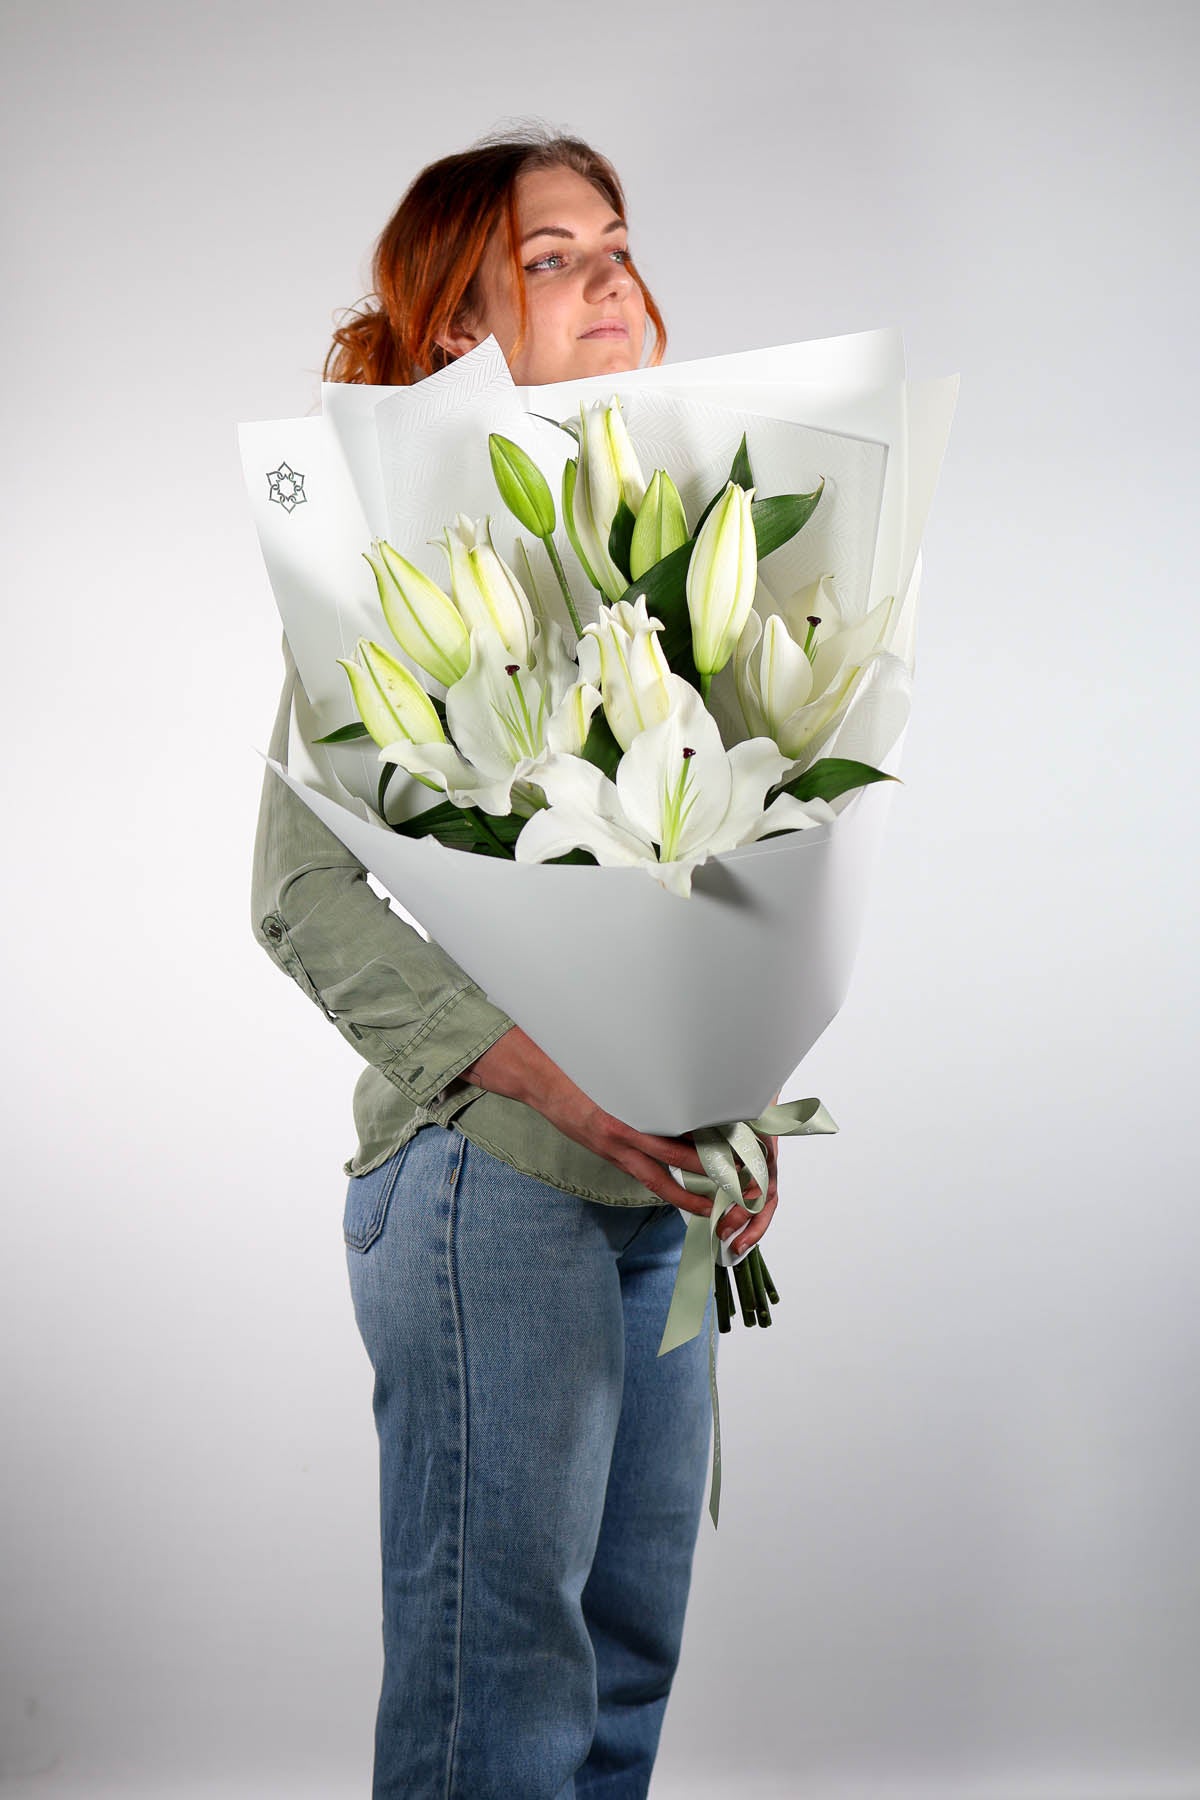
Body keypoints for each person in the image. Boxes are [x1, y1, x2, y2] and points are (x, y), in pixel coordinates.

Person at [251, 123, 779, 1800]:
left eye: (617, 240)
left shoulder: (678, 557)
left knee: (626, 1670)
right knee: (506, 1692)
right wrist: (563, 1075)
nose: (609, 272)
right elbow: (298, 888)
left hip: (656, 1198)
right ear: (458, 320)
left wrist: (727, 1108)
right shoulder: (401, 571)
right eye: (553, 255)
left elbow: (718, 878)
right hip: (494, 1184)